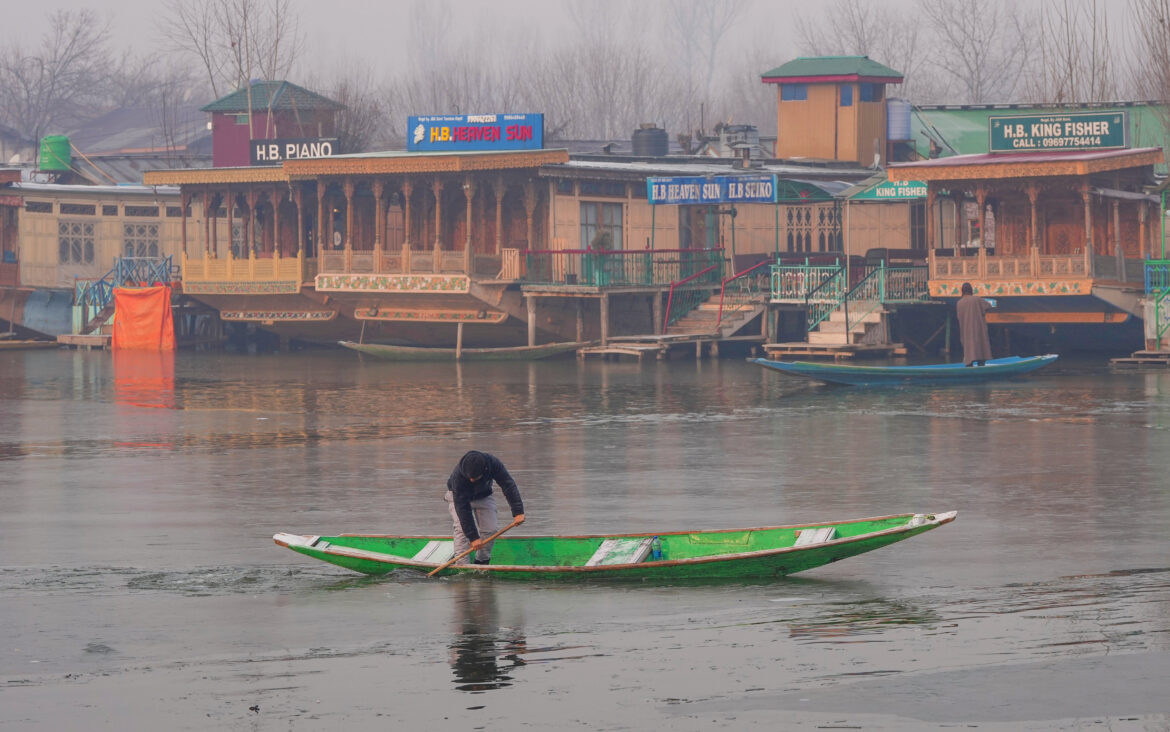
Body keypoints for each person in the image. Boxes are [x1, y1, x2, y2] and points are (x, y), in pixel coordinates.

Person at [445, 450, 525, 565]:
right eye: (469, 477)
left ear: (484, 469)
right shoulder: (458, 477)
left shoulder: (493, 463)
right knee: (462, 530)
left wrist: (518, 512)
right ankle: (462, 564)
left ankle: (482, 562)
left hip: (483, 495)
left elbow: (508, 485)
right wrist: (473, 537)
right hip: (458, 498)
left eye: (474, 477)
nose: (471, 480)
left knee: (491, 530)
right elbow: (463, 510)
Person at [956, 282, 993, 366]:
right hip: (978, 328)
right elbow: (988, 306)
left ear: (962, 291)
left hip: (966, 329)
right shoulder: (977, 299)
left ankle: (969, 363)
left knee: (968, 347)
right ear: (971, 290)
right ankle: (981, 364)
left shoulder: (959, 303)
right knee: (981, 346)